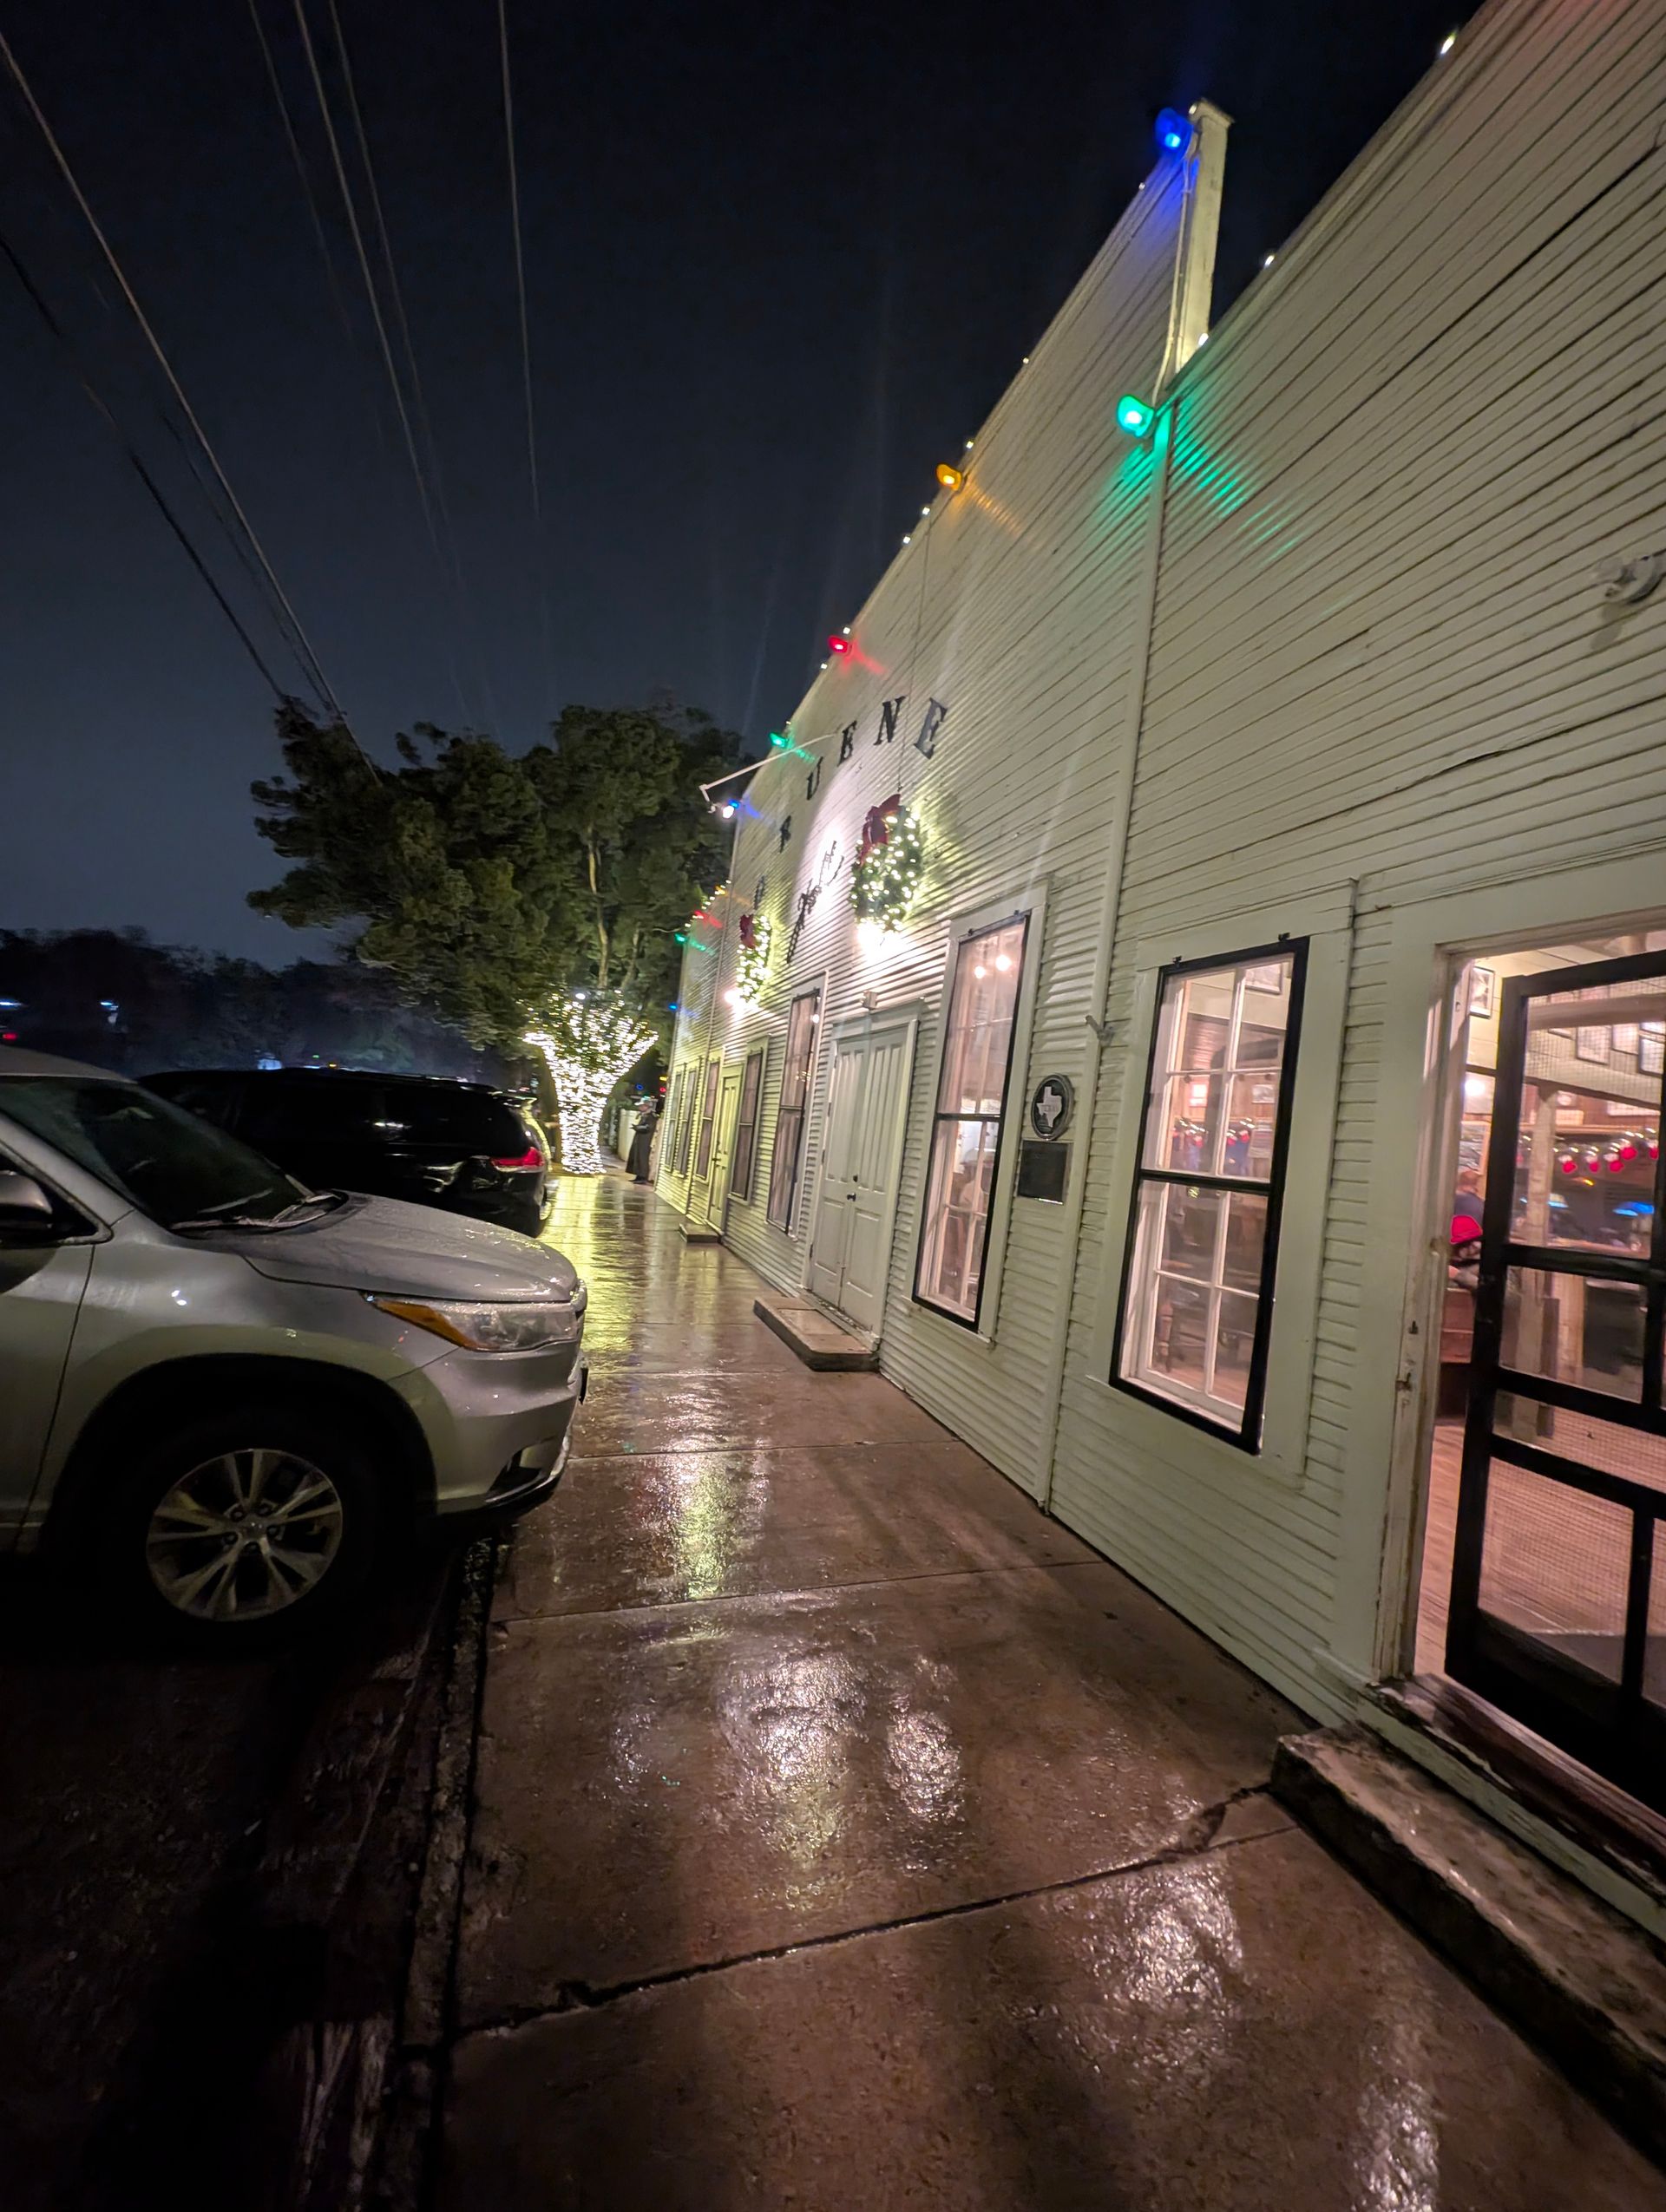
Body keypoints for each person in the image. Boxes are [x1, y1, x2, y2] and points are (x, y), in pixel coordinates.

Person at [626, 1095, 659, 1182]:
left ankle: (643, 1177)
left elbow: (648, 1128)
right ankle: (638, 1175)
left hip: (645, 1140)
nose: (640, 1107)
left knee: (642, 1157)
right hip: (640, 1139)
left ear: (646, 1106)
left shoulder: (651, 1117)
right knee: (638, 1157)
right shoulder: (644, 1115)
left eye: (641, 1106)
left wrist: (638, 1128)